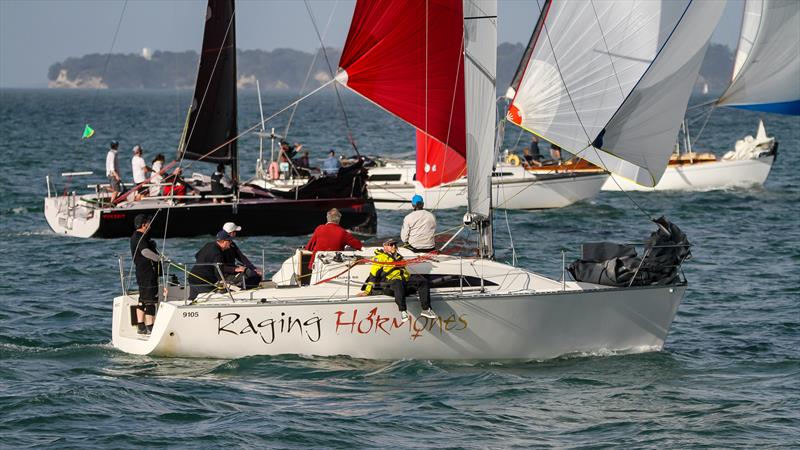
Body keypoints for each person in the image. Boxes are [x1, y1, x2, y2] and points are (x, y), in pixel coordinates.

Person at [358, 238, 436, 322]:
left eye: (394, 244)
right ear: (385, 247)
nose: (394, 246)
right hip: (390, 285)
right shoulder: (380, 258)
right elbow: (373, 275)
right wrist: (367, 291)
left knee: (422, 281)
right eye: (391, 245)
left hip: (403, 282)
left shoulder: (399, 257)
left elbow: (405, 272)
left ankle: (426, 309)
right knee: (397, 282)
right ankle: (403, 311)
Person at [188, 230, 245, 300]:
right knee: (212, 299)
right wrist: (234, 270)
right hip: (203, 281)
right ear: (224, 241)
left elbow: (197, 255)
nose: (230, 244)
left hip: (192, 277)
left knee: (192, 299)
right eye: (229, 241)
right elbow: (219, 270)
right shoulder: (217, 253)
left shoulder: (208, 244)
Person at [130, 214, 160, 335]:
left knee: (142, 300)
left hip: (141, 272)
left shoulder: (134, 236)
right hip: (148, 273)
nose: (150, 226)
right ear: (144, 225)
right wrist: (159, 258)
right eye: (149, 223)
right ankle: (150, 327)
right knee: (150, 301)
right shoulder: (141, 237)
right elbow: (145, 251)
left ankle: (141, 326)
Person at [220, 222, 263, 288]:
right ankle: (241, 288)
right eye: (235, 231)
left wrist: (253, 268)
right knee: (250, 274)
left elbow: (241, 257)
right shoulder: (221, 245)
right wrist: (235, 269)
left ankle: (248, 287)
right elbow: (220, 267)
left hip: (233, 270)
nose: (235, 234)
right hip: (226, 274)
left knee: (255, 274)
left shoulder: (232, 244)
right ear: (231, 233)